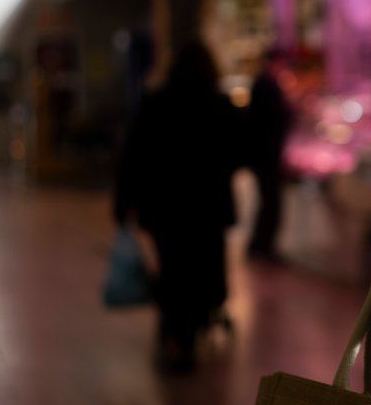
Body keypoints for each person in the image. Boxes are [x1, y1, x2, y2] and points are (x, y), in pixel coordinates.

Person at [115, 42, 244, 371]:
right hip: (208, 208)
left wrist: (123, 202)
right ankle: (192, 329)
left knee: (173, 268)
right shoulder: (220, 104)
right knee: (203, 267)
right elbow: (239, 153)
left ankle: (175, 329)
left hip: (166, 207)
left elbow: (135, 155)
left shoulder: (157, 102)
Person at [246, 50, 293, 261]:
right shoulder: (267, 86)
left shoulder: (261, 84)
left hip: (262, 155)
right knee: (271, 204)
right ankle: (263, 247)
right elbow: (276, 119)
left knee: (267, 203)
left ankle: (259, 245)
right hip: (267, 157)